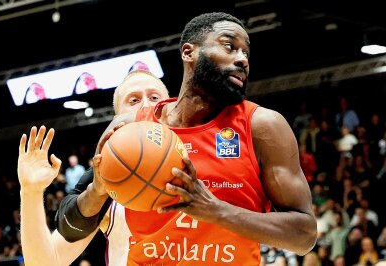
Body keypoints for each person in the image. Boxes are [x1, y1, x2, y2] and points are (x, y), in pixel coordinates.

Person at [53, 12, 317, 265]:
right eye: (229, 46)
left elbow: (304, 235)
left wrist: (217, 211)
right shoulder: (132, 128)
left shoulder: (262, 126)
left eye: (245, 52)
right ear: (189, 52)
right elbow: (69, 228)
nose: (242, 59)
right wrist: (98, 190)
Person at [18, 67, 170, 266]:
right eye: (133, 100)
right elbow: (45, 263)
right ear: (118, 119)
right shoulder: (106, 180)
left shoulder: (203, 157)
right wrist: (30, 192)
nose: (145, 106)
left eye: (154, 97)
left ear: (170, 110)